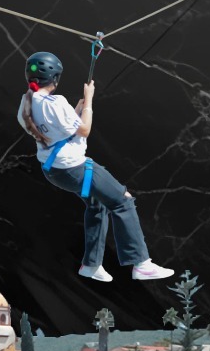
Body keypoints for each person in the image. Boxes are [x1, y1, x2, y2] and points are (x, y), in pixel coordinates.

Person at [17, 50, 173, 284]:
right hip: (75, 169)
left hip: (54, 171)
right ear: (55, 78)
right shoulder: (57, 102)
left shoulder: (26, 102)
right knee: (123, 200)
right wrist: (88, 99)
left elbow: (56, 129)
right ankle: (141, 264)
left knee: (97, 204)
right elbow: (84, 130)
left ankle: (91, 265)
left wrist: (76, 110)